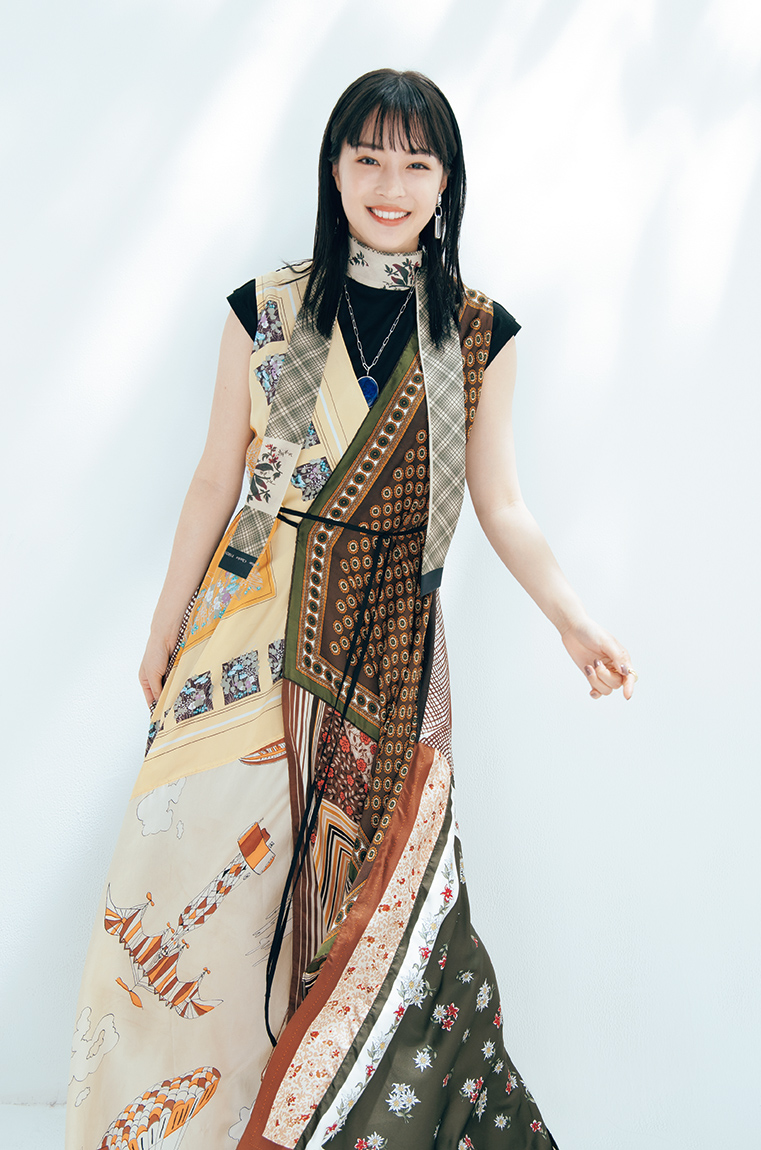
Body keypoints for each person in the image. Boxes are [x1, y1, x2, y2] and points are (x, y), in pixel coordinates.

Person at [66, 68, 635, 1150]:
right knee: (189, 892)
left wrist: (570, 617)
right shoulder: (273, 310)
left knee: (359, 905)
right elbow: (222, 478)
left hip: (391, 650)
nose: (390, 183)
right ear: (332, 168)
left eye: (416, 163)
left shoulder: (472, 334)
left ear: (446, 181)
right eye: (367, 157)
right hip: (247, 630)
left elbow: (501, 504)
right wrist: (163, 627)